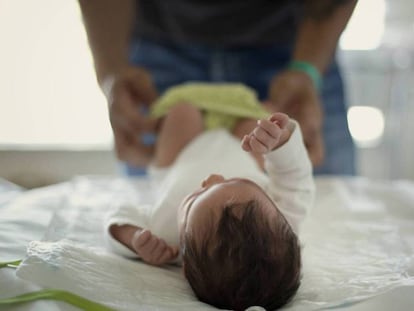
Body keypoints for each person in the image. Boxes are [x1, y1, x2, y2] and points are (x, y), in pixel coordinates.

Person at [79, 0, 358, 176]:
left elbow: (135, 217)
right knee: (275, 138)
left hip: (296, 38)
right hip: (159, 41)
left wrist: (307, 68)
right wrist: (112, 69)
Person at [104, 83, 314, 310]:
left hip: (179, 158)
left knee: (183, 113)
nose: (213, 178)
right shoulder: (281, 222)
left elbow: (119, 215)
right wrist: (279, 143)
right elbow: (295, 178)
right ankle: (260, 134)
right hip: (244, 150)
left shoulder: (167, 238)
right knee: (261, 119)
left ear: (186, 263)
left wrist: (133, 239)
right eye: (237, 182)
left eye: (195, 198)